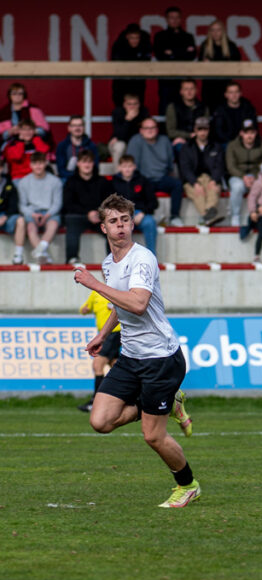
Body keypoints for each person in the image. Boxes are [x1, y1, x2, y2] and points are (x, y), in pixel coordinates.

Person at [72, 193, 198, 508]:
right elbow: (120, 303)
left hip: (160, 358)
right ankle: (166, 404)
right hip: (131, 356)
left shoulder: (142, 258)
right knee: (100, 421)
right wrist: (102, 334)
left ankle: (188, 485)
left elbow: (138, 304)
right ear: (103, 227)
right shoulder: (107, 263)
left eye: (125, 220)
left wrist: (93, 284)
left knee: (153, 437)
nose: (121, 227)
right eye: (114, 221)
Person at [126, 118, 183, 226]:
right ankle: (150, 216)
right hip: (144, 179)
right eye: (146, 128)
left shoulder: (165, 140)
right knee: (140, 187)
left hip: (161, 177)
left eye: (152, 128)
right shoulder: (135, 141)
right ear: (141, 130)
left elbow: (170, 163)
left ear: (157, 130)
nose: (150, 130)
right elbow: (132, 165)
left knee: (177, 184)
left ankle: (175, 216)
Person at [62, 150, 114, 265]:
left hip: (99, 216)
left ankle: (114, 260)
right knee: (71, 220)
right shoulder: (71, 182)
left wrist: (99, 213)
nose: (87, 165)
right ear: (78, 164)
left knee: (112, 225)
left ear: (93, 164)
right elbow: (68, 204)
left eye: (89, 162)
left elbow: (110, 202)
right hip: (79, 216)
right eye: (84, 162)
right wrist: (87, 213)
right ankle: (72, 258)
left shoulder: (103, 182)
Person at [78, 286, 122, 412]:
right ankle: (131, 396)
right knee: (116, 365)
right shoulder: (96, 293)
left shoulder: (116, 291)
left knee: (97, 365)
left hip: (114, 332)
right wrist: (84, 309)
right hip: (103, 334)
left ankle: (96, 402)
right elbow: (84, 309)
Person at [13, 153, 62, 265]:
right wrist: (32, 214)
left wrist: (47, 215)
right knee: (30, 227)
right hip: (32, 212)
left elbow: (57, 203)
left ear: (45, 163)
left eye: (40, 163)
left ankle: (40, 249)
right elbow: (22, 205)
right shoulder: (24, 182)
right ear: (30, 165)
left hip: (50, 213)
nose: (38, 166)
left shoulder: (55, 181)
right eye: (35, 163)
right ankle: (43, 255)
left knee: (53, 224)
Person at [178, 117, 226, 226]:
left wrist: (214, 180)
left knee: (213, 189)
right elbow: (185, 168)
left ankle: (206, 216)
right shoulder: (187, 147)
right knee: (198, 192)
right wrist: (195, 183)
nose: (202, 132)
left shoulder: (216, 146)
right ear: (195, 130)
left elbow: (220, 166)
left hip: (210, 178)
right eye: (200, 129)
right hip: (192, 179)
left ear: (209, 130)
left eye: (205, 129)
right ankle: (208, 216)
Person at [152, 6, 197, 116]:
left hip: (184, 79)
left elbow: (191, 55)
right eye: (171, 17)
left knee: (185, 109)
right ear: (166, 19)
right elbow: (160, 56)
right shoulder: (160, 36)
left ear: (181, 19)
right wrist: (183, 52)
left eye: (177, 17)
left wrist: (171, 53)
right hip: (166, 81)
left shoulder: (188, 36)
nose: (174, 20)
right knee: (166, 109)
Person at [226, 120, 262, 231]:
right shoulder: (232, 145)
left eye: (252, 132)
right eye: (246, 133)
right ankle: (235, 215)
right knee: (237, 187)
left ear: (256, 133)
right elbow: (230, 166)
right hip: (238, 176)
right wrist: (243, 176)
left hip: (257, 176)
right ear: (241, 133)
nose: (249, 136)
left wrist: (255, 177)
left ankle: (261, 215)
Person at [111, 155, 159, 255]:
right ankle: (122, 259)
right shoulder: (113, 182)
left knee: (150, 222)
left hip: (140, 213)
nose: (127, 169)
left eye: (129, 166)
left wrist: (142, 213)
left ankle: (151, 258)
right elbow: (109, 204)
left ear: (134, 167)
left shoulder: (143, 181)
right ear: (119, 167)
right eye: (124, 166)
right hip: (120, 215)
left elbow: (153, 202)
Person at [197, 20, 240, 110]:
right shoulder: (205, 45)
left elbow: (237, 64)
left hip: (225, 85)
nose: (215, 33)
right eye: (213, 30)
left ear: (223, 31)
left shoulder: (230, 46)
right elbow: (200, 65)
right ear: (209, 32)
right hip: (209, 86)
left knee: (224, 112)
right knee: (209, 112)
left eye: (218, 30)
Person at [110, 23, 152, 107]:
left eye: (137, 38)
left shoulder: (144, 45)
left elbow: (147, 61)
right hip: (121, 84)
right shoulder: (119, 45)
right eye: (132, 38)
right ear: (127, 37)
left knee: (138, 107)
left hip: (138, 83)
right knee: (120, 107)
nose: (134, 40)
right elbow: (116, 62)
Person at [165, 79, 209, 153]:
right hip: (181, 141)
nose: (189, 92)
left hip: (200, 139)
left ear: (196, 91)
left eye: (192, 89)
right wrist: (187, 136)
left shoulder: (203, 107)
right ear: (181, 91)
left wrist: (197, 137)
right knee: (182, 148)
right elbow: (170, 131)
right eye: (186, 89)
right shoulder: (173, 107)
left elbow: (206, 129)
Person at [109, 94, 150, 167]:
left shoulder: (143, 112)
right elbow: (119, 135)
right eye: (129, 104)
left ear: (139, 104)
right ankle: (118, 176)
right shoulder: (118, 112)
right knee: (119, 146)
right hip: (122, 143)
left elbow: (146, 133)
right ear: (124, 104)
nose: (132, 107)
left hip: (138, 143)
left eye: (135, 104)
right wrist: (128, 120)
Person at [55, 115, 99, 183]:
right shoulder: (62, 146)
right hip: (69, 178)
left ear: (84, 128)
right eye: (74, 125)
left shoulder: (91, 146)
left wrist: (84, 176)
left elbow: (95, 167)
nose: (77, 128)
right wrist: (77, 176)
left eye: (80, 125)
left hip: (87, 178)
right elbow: (61, 170)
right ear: (69, 128)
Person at [212, 81, 258, 146]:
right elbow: (219, 132)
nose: (234, 95)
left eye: (236, 92)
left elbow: (254, 128)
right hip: (226, 142)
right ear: (226, 95)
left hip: (244, 142)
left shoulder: (247, 108)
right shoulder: (220, 110)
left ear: (240, 93)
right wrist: (232, 143)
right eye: (231, 92)